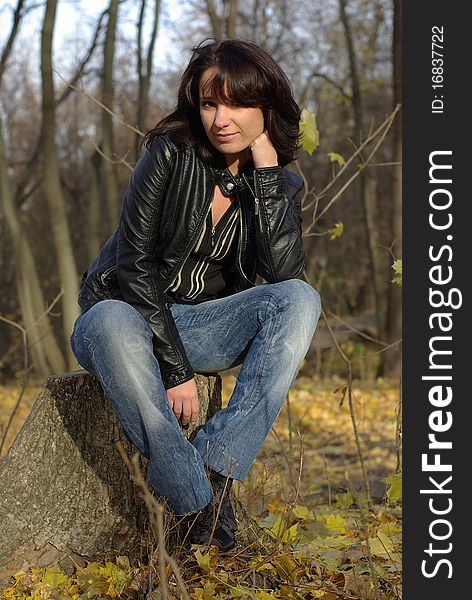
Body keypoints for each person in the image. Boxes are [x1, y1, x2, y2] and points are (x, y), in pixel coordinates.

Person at [70, 38, 321, 551]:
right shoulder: (170, 153)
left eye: (237, 103)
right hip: (123, 320)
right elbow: (132, 264)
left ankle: (216, 462)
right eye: (210, 103)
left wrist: (268, 176)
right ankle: (196, 502)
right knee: (111, 318)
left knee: (300, 300)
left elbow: (285, 273)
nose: (221, 119)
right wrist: (177, 370)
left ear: (266, 108)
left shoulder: (278, 183)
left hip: (203, 325)